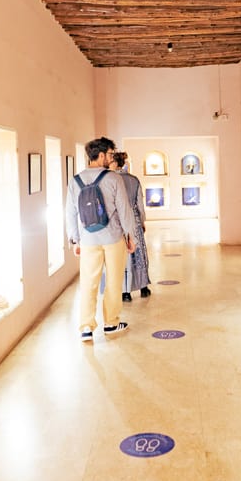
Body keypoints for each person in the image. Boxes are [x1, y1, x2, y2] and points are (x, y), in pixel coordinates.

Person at [66, 137, 136, 344]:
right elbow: (124, 211)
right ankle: (111, 322)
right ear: (102, 154)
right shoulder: (113, 178)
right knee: (114, 281)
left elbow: (70, 212)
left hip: (88, 239)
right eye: (111, 154)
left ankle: (86, 327)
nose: (111, 158)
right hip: (113, 238)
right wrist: (130, 236)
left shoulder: (75, 180)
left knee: (88, 282)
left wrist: (74, 240)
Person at [110, 151, 151, 301]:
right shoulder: (134, 180)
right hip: (134, 220)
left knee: (122, 255)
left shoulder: (112, 179)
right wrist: (142, 220)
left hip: (118, 221)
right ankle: (143, 287)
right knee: (139, 254)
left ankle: (125, 292)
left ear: (114, 163)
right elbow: (140, 203)